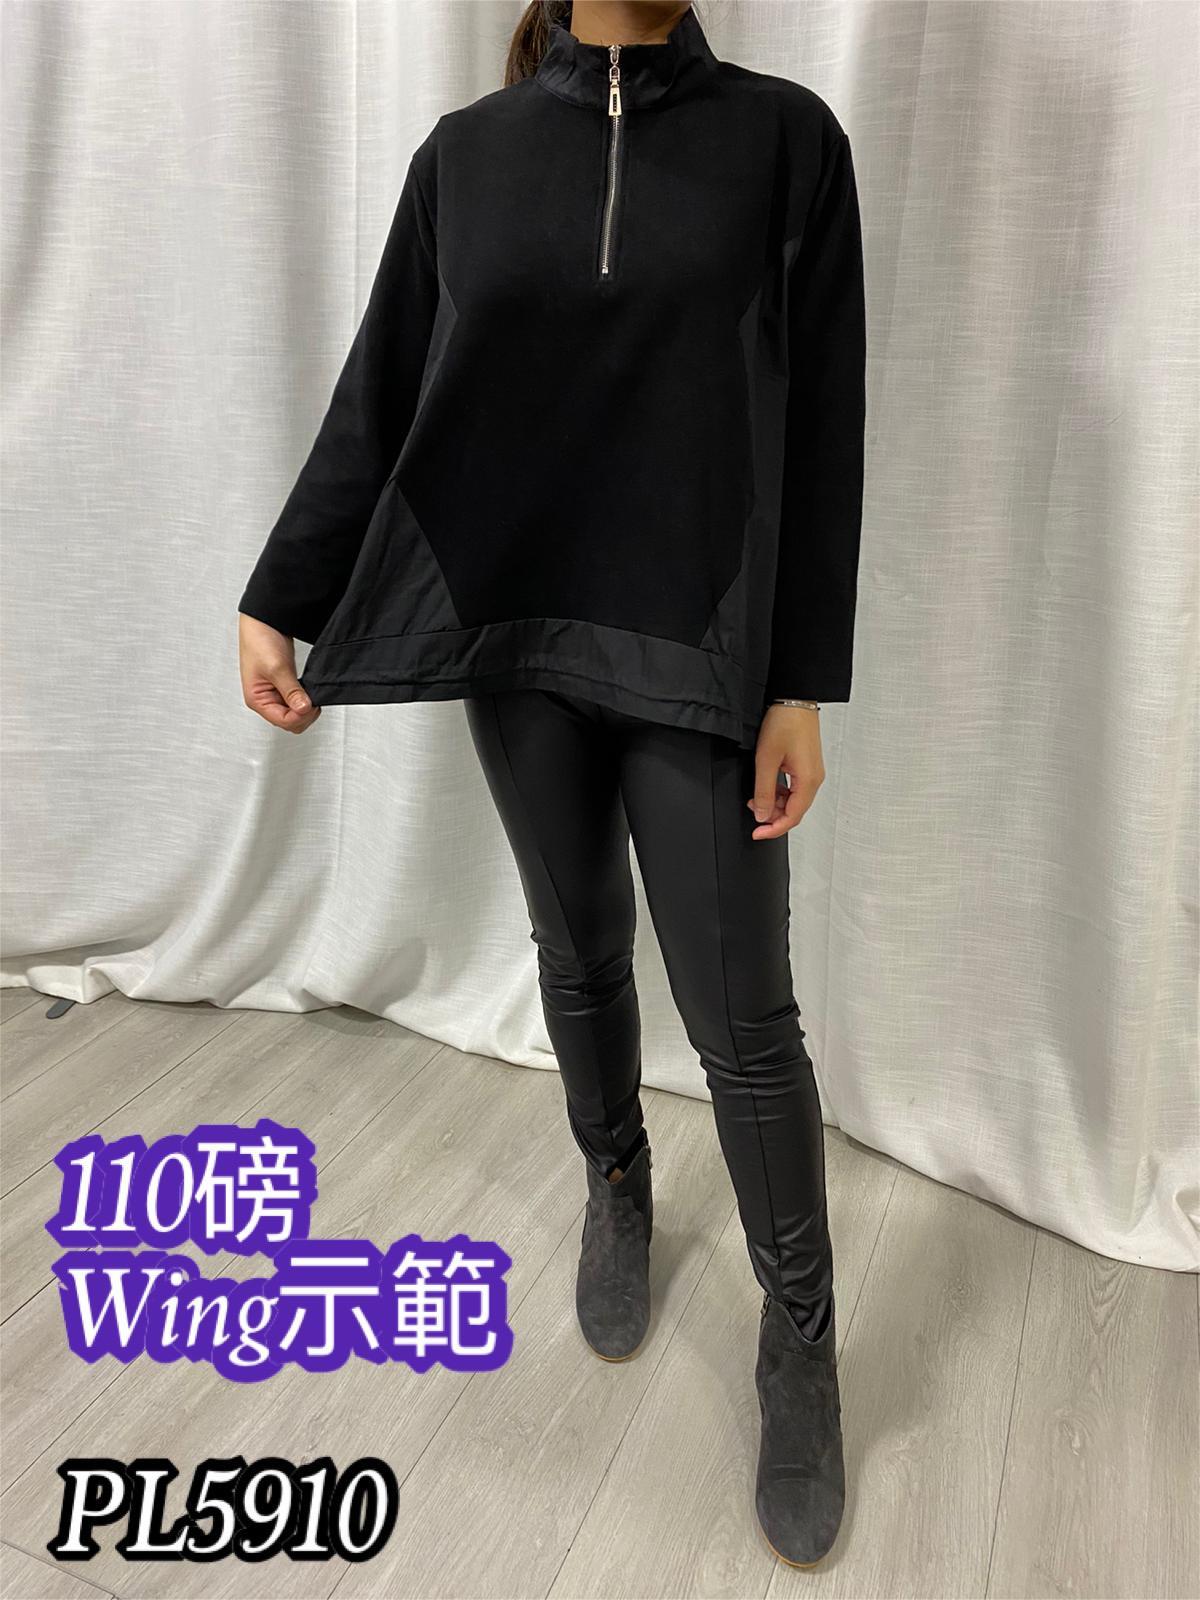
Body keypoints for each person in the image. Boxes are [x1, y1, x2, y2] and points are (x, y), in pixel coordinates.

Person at [237, 0, 865, 1568]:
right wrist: (282, 590)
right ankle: (618, 1185)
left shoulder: (786, 143)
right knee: (576, 948)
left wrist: (800, 680)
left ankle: (801, 1337)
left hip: (700, 652)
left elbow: (827, 424)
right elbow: (384, 394)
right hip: (517, 641)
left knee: (742, 1017)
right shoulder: (467, 160)